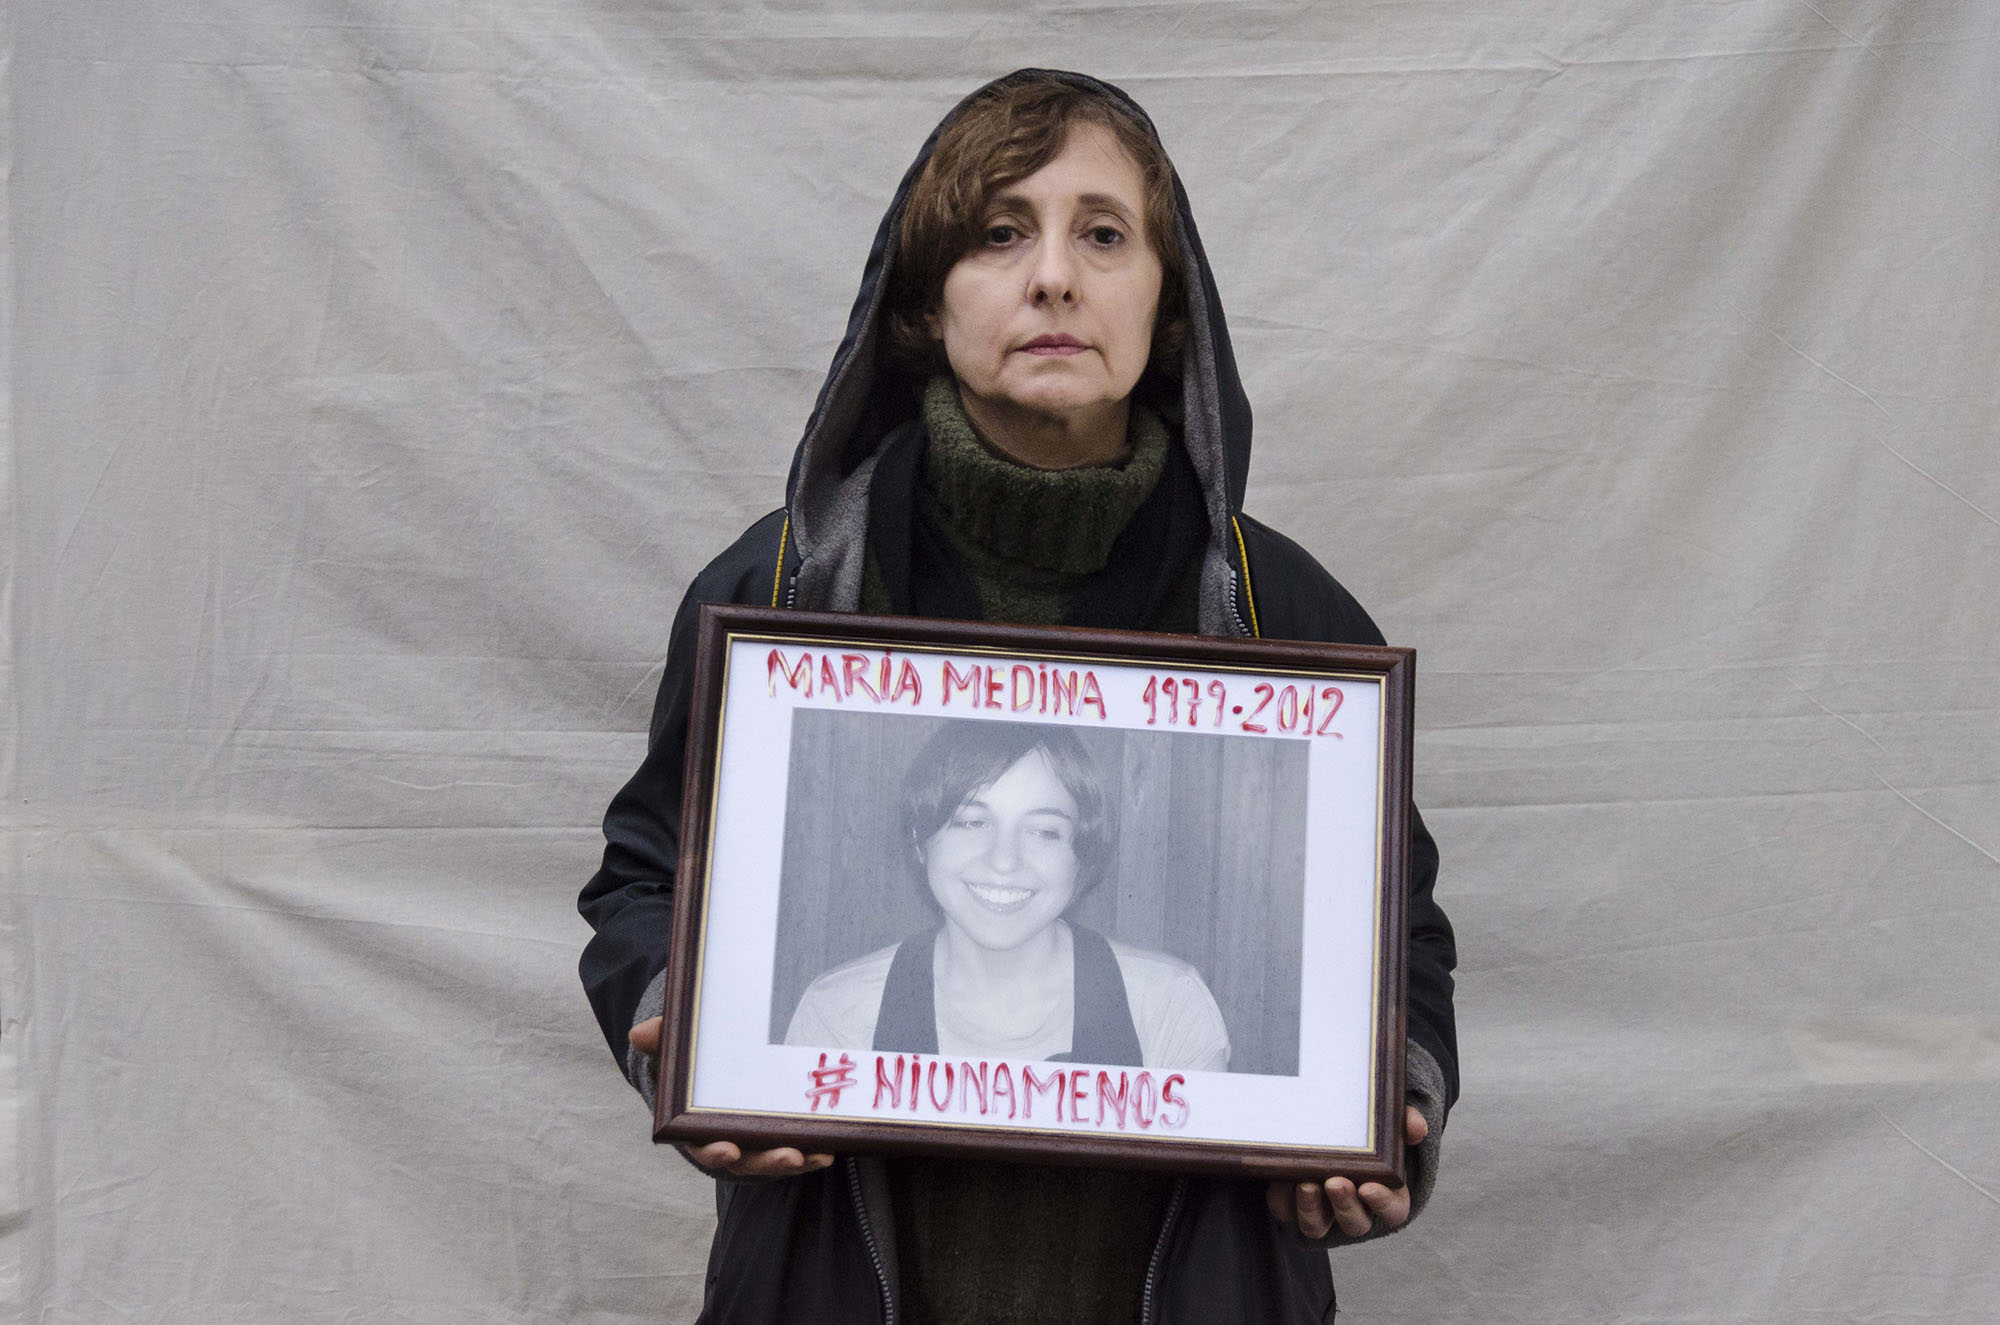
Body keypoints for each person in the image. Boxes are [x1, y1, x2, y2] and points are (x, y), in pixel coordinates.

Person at [580, 68, 1459, 1322]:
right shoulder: (785, 589)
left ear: (1170, 309)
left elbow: (1394, 929)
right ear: (921, 305)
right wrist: (682, 1024)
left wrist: (1394, 1095)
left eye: (1102, 234)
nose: (1052, 276)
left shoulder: (1280, 613)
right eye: (999, 233)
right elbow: (644, 874)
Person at [782, 720, 1231, 1073]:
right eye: (972, 822)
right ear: (921, 840)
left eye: (1043, 831)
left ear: (1083, 854)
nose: (1004, 861)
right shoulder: (837, 1014)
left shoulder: (1169, 1006)